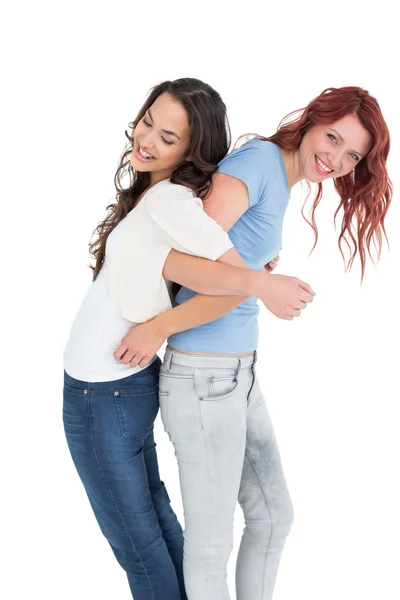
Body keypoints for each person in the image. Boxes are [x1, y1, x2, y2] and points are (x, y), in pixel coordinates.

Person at [113, 86, 392, 600]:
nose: (335, 159)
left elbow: (217, 257)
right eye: (332, 138)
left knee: (273, 514)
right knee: (211, 544)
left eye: (352, 154)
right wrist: (251, 287)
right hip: (202, 376)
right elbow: (170, 256)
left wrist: (249, 270)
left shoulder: (282, 178)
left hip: (236, 374)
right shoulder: (260, 163)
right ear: (310, 121)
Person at [63, 77, 313, 600]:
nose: (147, 139)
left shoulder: (169, 201)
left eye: (168, 137)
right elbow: (212, 271)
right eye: (148, 121)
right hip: (114, 387)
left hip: (102, 393)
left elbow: (221, 280)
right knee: (153, 529)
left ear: (191, 150)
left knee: (138, 544)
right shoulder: (164, 197)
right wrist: (253, 273)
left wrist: (257, 280)